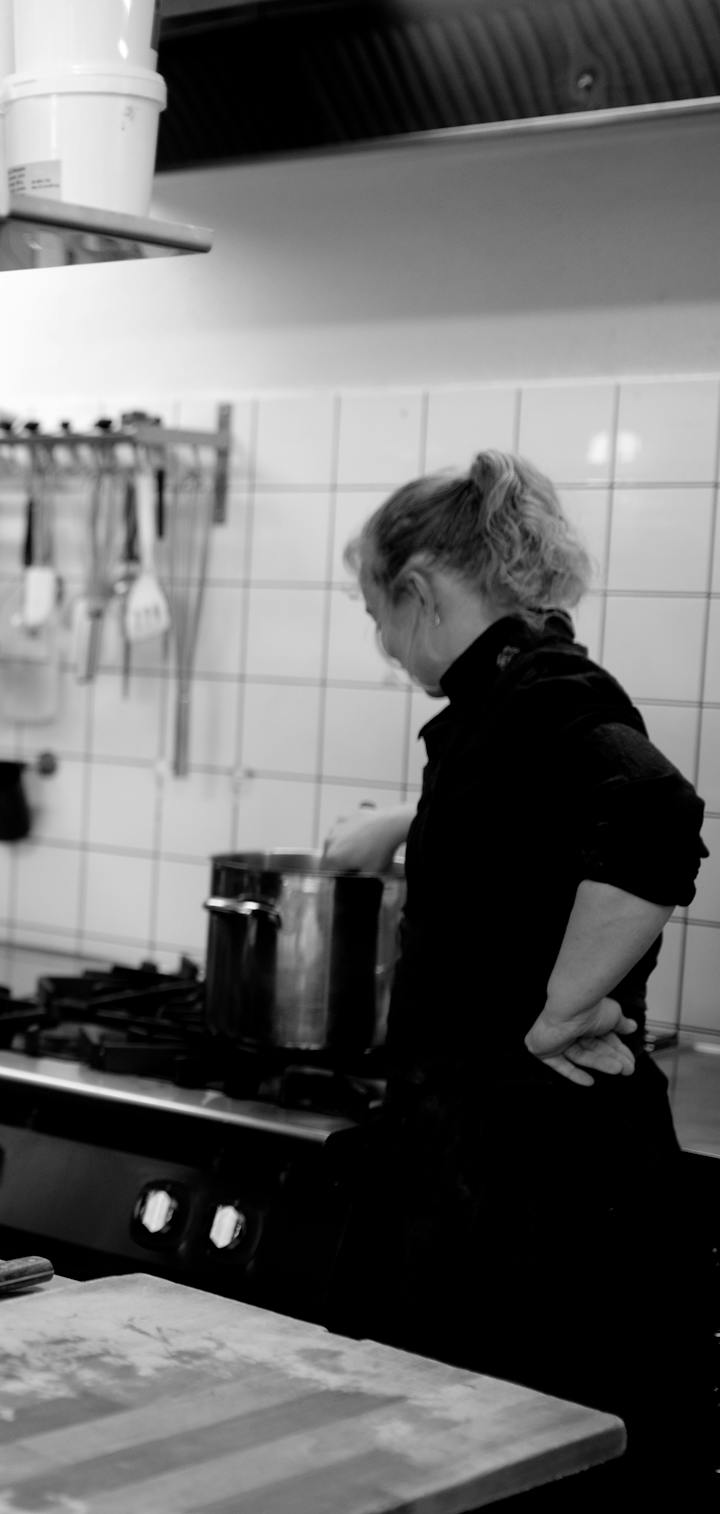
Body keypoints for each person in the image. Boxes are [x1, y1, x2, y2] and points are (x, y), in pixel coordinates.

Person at [323, 450, 709, 1503]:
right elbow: (543, 809)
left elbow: (651, 811)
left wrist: (564, 1008)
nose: (383, 645)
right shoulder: (511, 697)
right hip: (497, 1173)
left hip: (531, 1189)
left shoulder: (542, 691)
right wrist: (410, 822)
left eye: (375, 612)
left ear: (414, 590)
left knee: (511, 1469)